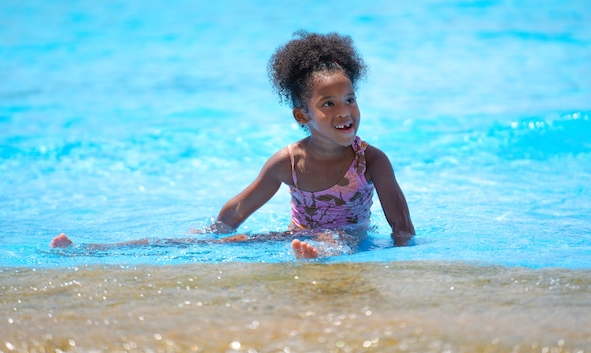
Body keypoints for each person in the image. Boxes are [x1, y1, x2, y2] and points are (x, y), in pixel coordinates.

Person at [50, 31, 415, 258]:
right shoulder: (287, 163)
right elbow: (239, 209)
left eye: (350, 99)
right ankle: (92, 250)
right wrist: (214, 233)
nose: (344, 111)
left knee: (338, 241)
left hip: (349, 240)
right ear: (302, 117)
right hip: (296, 237)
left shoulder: (370, 161)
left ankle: (316, 257)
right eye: (328, 104)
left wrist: (402, 265)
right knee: (220, 244)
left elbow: (402, 226)